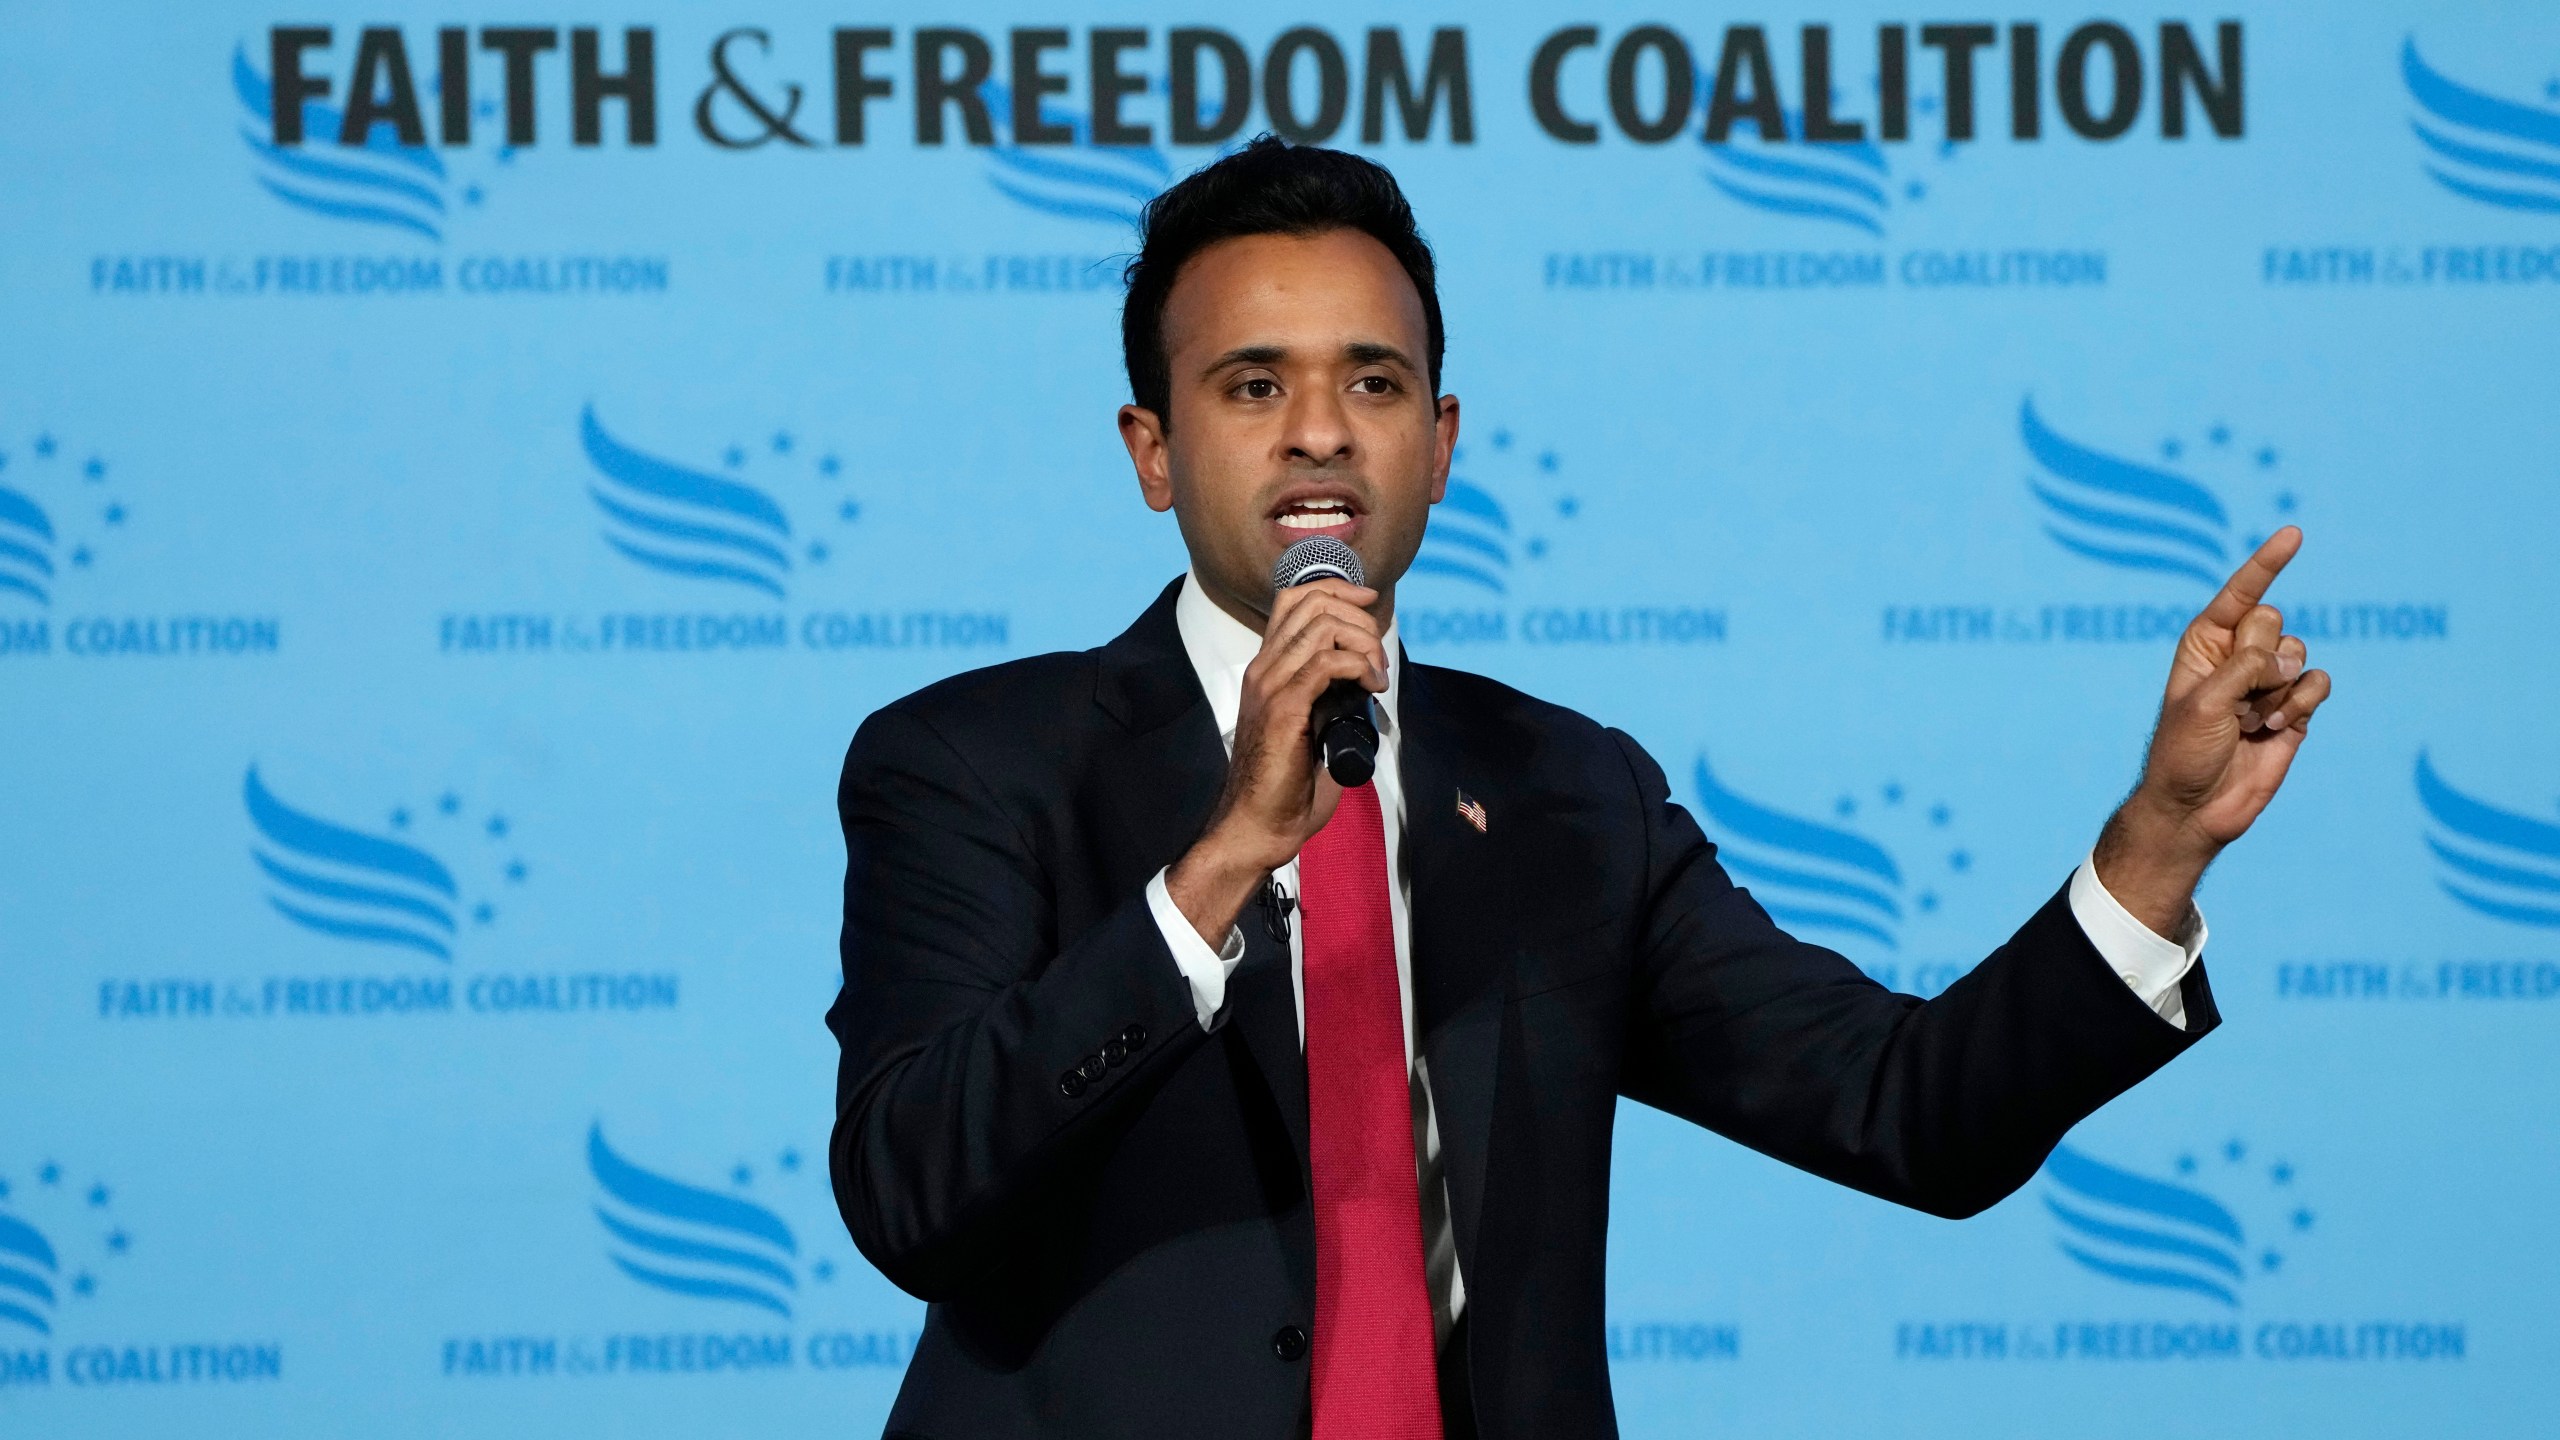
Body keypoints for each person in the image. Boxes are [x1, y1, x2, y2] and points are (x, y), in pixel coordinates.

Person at [823, 137, 2332, 1440]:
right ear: (1153, 452)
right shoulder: (972, 763)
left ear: (1441, 441)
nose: (1322, 429)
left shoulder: (1568, 794)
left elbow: (1909, 1112)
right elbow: (912, 1189)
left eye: (1376, 379)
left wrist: (2157, 846)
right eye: (1250, 384)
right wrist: (1220, 867)